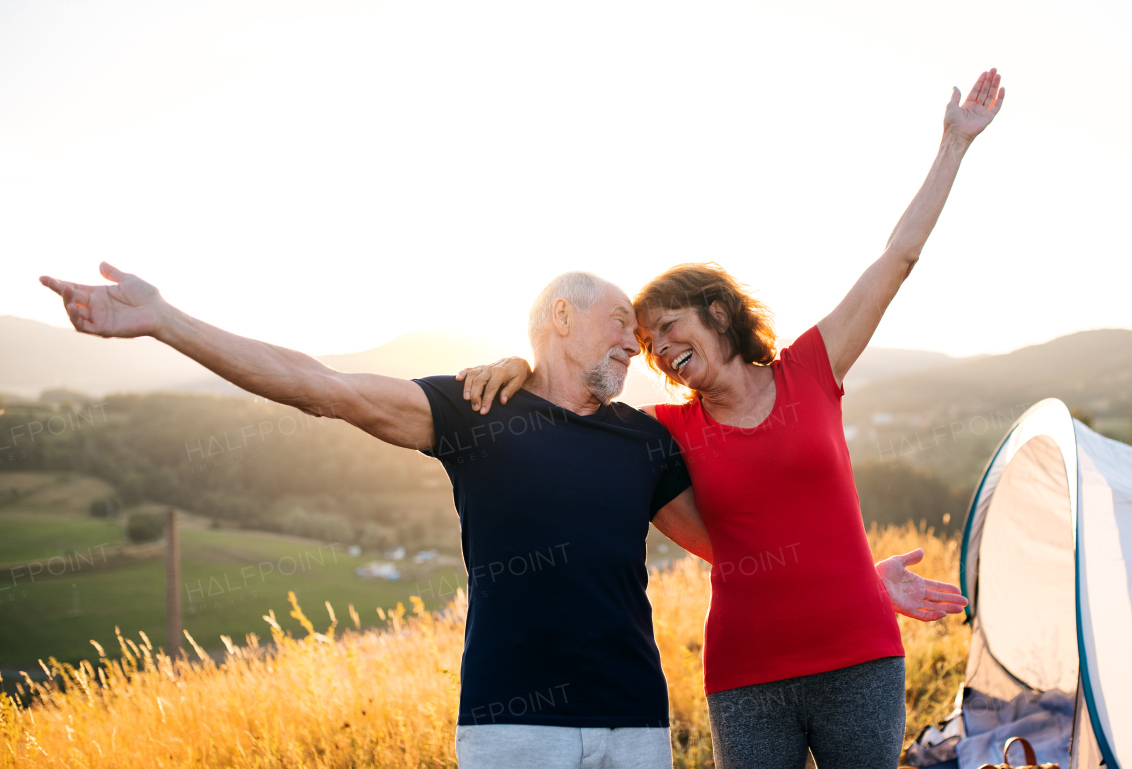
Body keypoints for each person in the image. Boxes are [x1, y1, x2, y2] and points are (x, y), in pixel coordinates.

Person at [455, 67, 1004, 768]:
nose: (660, 350)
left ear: (717, 311)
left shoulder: (812, 368)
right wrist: (518, 366)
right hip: (746, 676)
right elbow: (574, 407)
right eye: (650, 345)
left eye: (670, 327)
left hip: (859, 657)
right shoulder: (665, 432)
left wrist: (953, 146)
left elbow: (895, 260)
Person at [38, 267, 713, 769]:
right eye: (622, 320)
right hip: (514, 729)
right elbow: (320, 387)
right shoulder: (476, 410)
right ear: (562, 318)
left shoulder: (644, 440)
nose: (637, 338)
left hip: (635, 725)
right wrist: (165, 320)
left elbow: (722, 537)